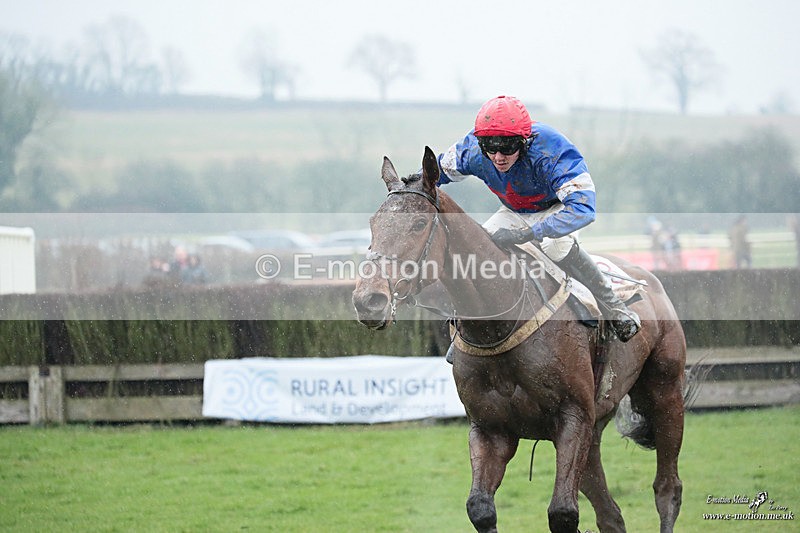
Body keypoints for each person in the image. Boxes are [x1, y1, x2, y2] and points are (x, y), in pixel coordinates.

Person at [436, 95, 641, 350]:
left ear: (525, 141)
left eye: (508, 147)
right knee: (479, 251)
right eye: (490, 146)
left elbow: (584, 209)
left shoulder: (551, 150)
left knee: (556, 247)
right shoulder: (474, 151)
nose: (498, 156)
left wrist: (529, 233)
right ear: (481, 142)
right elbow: (435, 172)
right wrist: (410, 184)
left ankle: (615, 308)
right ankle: (467, 330)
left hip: (556, 208)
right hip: (514, 209)